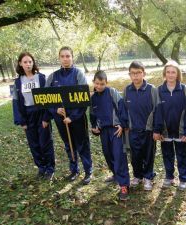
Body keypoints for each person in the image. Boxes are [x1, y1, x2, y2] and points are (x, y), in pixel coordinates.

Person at [43, 46, 92, 184]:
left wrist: (73, 116)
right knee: (68, 144)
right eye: (62, 56)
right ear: (59, 58)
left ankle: (88, 171)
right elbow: (46, 99)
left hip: (77, 118)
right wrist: (55, 110)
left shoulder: (78, 74)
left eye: (68, 56)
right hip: (61, 119)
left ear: (72, 57)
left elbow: (84, 99)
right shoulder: (53, 76)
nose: (65, 59)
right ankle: (74, 170)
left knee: (82, 144)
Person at [12, 52, 55, 180]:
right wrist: (21, 121)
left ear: (33, 62)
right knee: (34, 144)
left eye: (30, 61)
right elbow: (15, 102)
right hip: (28, 116)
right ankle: (41, 168)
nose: (28, 64)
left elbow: (48, 98)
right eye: (25, 62)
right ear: (20, 63)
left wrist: (46, 117)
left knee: (45, 142)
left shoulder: (41, 78)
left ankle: (50, 168)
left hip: (41, 114)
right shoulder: (17, 82)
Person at [90, 70, 130, 201]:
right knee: (108, 154)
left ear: (106, 83)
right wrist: (94, 128)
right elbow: (93, 116)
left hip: (116, 130)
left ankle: (124, 185)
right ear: (93, 83)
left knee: (119, 156)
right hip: (104, 132)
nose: (99, 86)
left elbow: (122, 108)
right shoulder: (93, 98)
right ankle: (115, 174)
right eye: (97, 83)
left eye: (102, 84)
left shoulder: (112, 92)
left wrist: (122, 125)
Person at [153, 61, 186, 190]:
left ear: (178, 74)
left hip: (180, 131)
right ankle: (169, 177)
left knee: (182, 155)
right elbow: (157, 111)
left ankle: (183, 179)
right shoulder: (159, 90)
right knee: (167, 155)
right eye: (168, 72)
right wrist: (157, 130)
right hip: (166, 131)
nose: (170, 74)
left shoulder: (184, 89)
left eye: (173, 72)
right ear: (164, 74)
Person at [123, 61, 159, 191]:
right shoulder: (127, 90)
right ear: (129, 75)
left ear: (143, 73)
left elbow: (157, 110)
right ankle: (137, 176)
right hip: (133, 130)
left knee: (149, 154)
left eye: (138, 73)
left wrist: (156, 129)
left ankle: (148, 177)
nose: (136, 76)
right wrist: (126, 124)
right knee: (135, 155)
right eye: (133, 73)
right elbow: (125, 110)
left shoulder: (151, 89)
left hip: (148, 130)